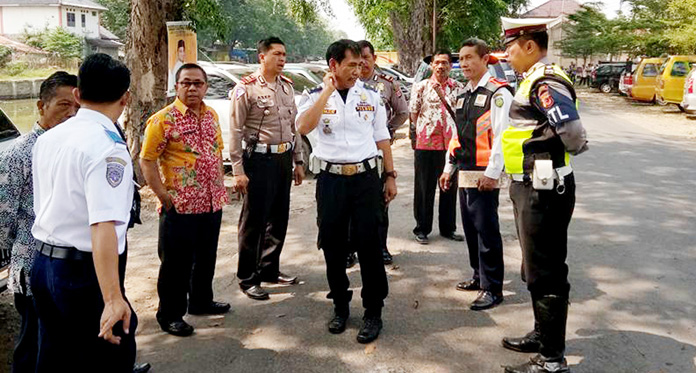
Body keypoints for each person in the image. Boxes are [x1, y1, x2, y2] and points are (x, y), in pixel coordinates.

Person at [30, 53, 136, 372]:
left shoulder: (49, 138)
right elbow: (103, 224)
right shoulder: (107, 148)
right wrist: (113, 298)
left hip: (44, 266)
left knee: (56, 358)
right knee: (106, 361)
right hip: (81, 275)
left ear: (77, 94)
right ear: (126, 98)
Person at [499, 18, 588, 373]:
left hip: (544, 189)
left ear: (529, 46)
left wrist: (548, 159)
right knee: (534, 267)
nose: (506, 53)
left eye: (510, 46)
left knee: (546, 270)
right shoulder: (532, 80)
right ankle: (543, 334)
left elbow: (574, 134)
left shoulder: (545, 81)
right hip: (531, 186)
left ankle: (552, 361)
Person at [296, 39, 397, 344]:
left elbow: (382, 138)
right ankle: (340, 305)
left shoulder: (370, 96)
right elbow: (302, 127)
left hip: (366, 180)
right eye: (351, 64)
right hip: (331, 182)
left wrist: (390, 175)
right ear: (333, 65)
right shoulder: (313, 96)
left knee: (369, 245)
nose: (358, 69)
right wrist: (327, 91)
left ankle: (373, 311)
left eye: (360, 64)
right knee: (333, 246)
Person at [141, 63, 230, 337]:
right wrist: (163, 195)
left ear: (205, 86)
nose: (192, 88)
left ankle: (201, 301)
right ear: (177, 86)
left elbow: (216, 153)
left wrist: (219, 185)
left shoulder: (211, 115)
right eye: (186, 83)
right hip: (179, 205)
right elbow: (147, 160)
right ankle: (170, 314)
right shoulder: (162, 120)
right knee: (176, 264)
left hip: (211, 202)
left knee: (206, 257)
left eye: (198, 83)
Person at [0, 71, 78, 373]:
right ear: (41, 106)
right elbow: (4, 213)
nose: (71, 114)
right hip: (32, 265)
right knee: (33, 341)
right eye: (62, 106)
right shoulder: (20, 152)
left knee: (64, 340)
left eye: (76, 107)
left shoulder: (74, 147)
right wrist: (10, 252)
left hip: (70, 264)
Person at [439, 38, 513, 311]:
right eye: (462, 58)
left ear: (485, 60)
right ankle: (477, 275)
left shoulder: (499, 93)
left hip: (485, 174)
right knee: (470, 228)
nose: (465, 63)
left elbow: (502, 136)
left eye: (471, 57)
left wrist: (493, 173)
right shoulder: (462, 96)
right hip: (465, 171)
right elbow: (457, 137)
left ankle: (493, 288)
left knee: (486, 230)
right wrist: (448, 168)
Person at [229, 36, 303, 301]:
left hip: (282, 159)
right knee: (254, 221)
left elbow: (293, 126)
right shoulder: (245, 88)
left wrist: (298, 160)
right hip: (258, 161)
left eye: (284, 54)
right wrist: (238, 170)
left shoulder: (287, 87)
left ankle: (269, 269)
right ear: (262, 57)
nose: (282, 58)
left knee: (278, 217)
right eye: (276, 54)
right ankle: (248, 277)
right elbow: (236, 131)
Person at [349, 39, 408, 266]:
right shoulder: (346, 84)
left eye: (366, 57)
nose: (362, 62)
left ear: (374, 58)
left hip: (378, 154)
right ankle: (349, 248)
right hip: (352, 155)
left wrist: (387, 130)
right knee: (350, 203)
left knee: (381, 201)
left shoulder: (386, 84)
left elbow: (402, 112)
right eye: (358, 58)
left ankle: (381, 246)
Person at [408, 49, 464, 245]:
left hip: (451, 146)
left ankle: (448, 228)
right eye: (437, 62)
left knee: (449, 187)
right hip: (426, 145)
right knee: (424, 189)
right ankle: (422, 228)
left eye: (445, 63)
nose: (441, 66)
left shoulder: (458, 87)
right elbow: (413, 114)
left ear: (450, 66)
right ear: (431, 65)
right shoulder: (420, 87)